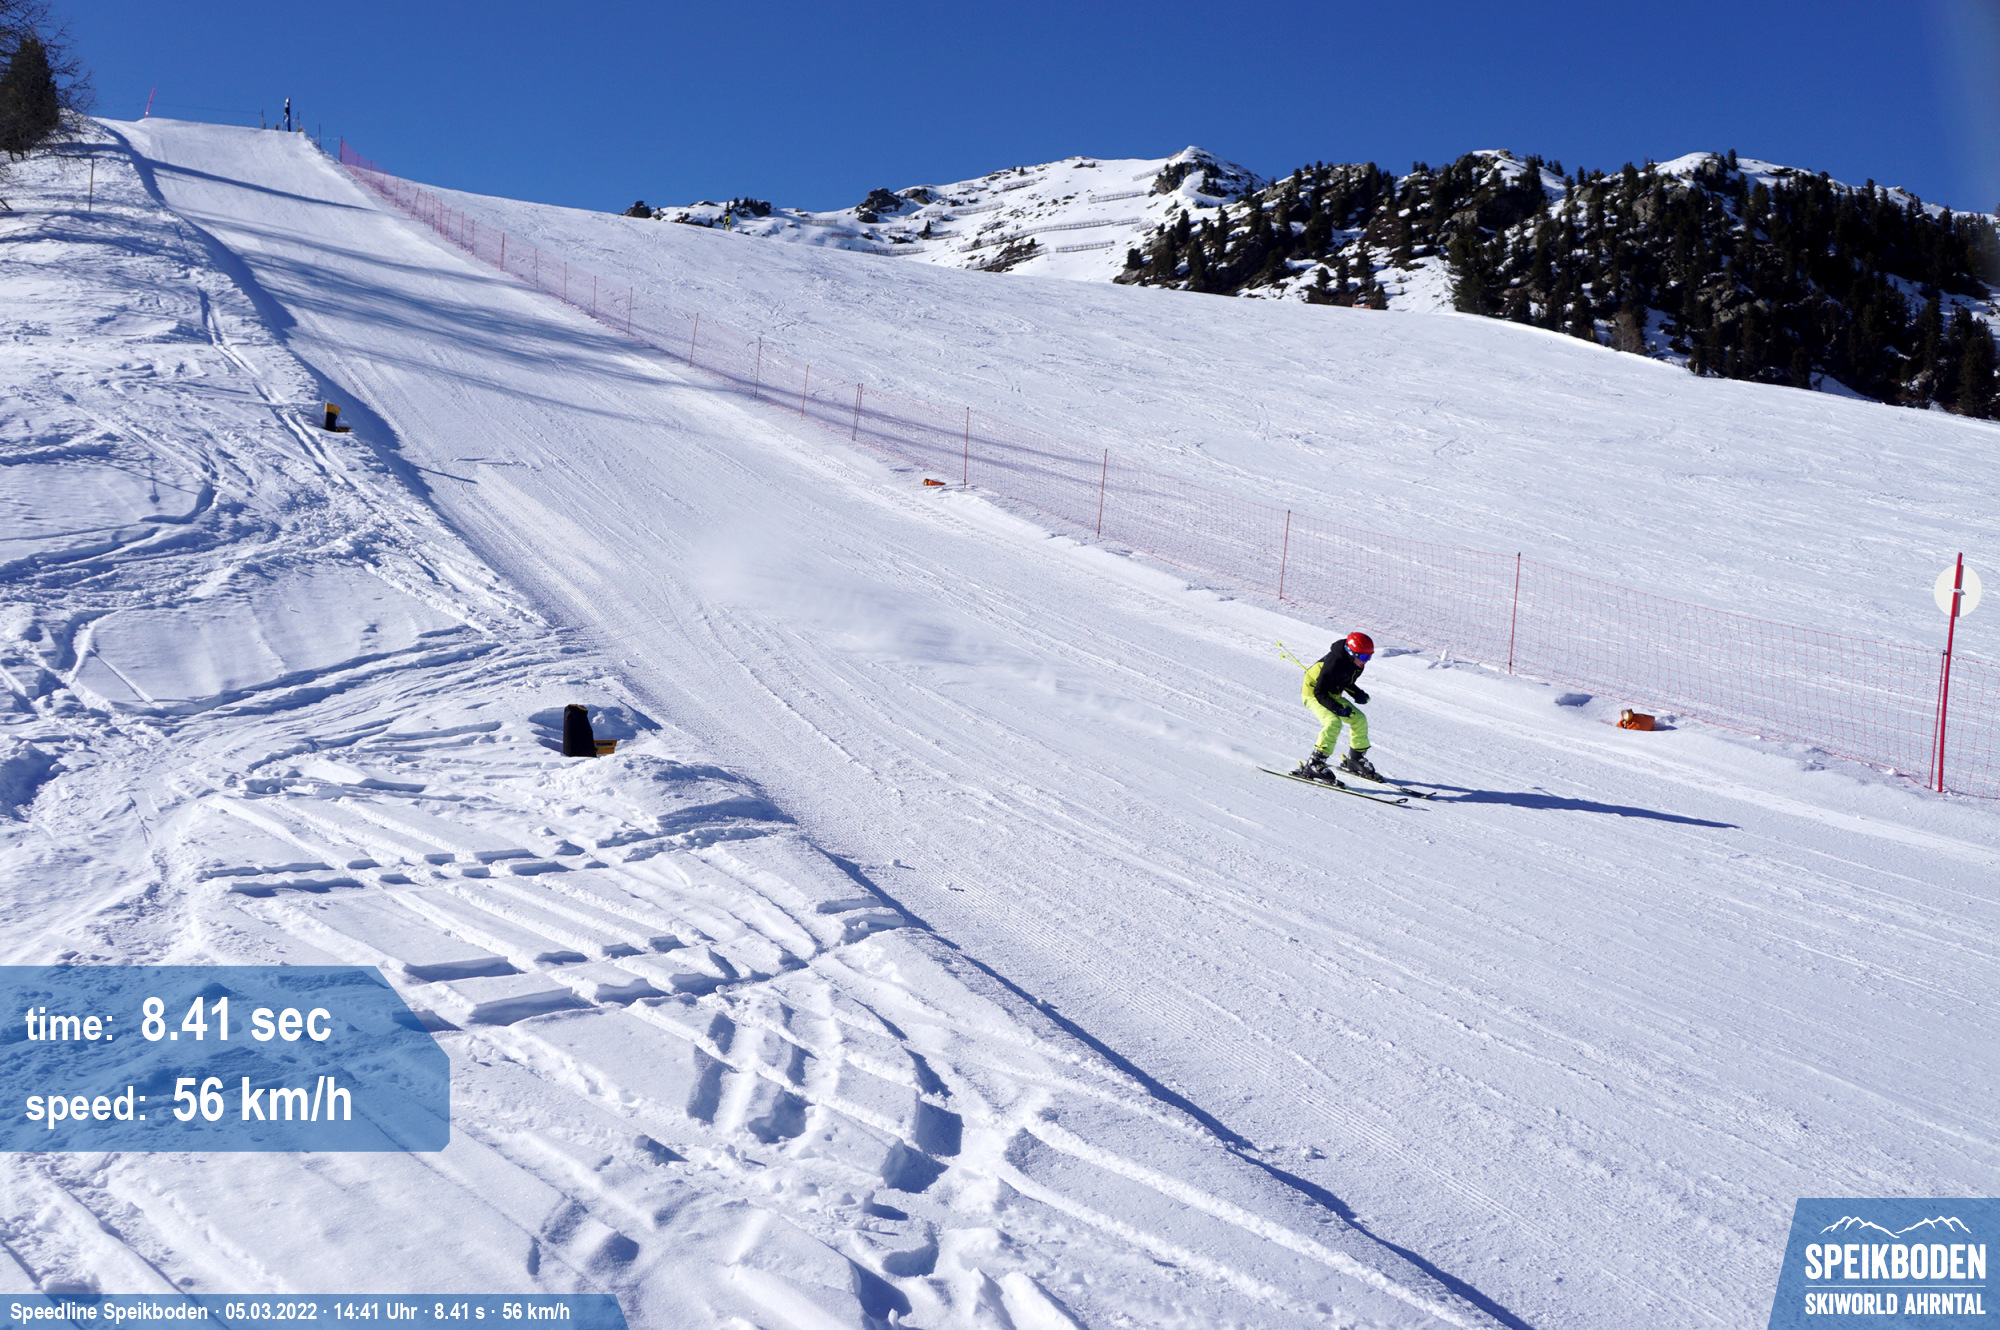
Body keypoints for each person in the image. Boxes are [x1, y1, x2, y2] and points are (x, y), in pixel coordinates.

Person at [1292, 632, 1381, 782]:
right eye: (1363, 657)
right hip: (1313, 694)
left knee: (1359, 719)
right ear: (1351, 653)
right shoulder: (1334, 663)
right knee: (1333, 722)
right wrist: (1337, 708)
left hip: (1332, 694)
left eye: (1369, 657)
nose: (1366, 661)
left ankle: (1355, 760)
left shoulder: (1356, 663)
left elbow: (1344, 680)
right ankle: (1315, 763)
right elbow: (1319, 692)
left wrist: (1357, 693)